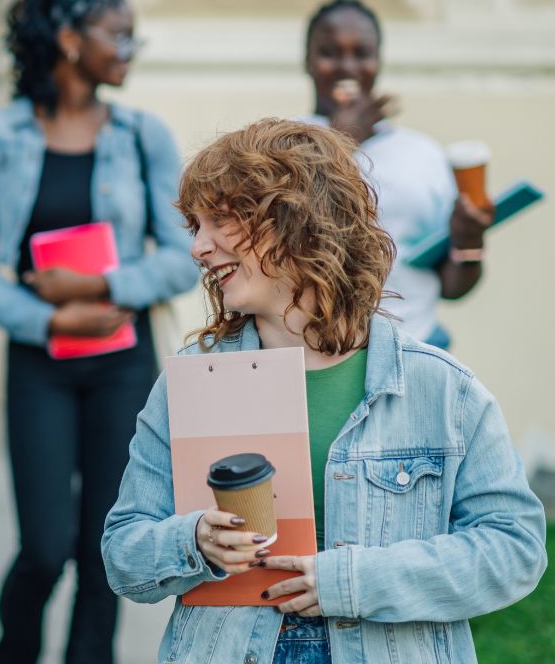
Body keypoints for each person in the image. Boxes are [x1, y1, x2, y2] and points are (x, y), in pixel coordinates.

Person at [101, 118, 546, 664]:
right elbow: (123, 553)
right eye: (195, 225)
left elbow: (514, 550)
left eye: (220, 220)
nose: (197, 246)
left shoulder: (441, 389)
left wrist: (353, 581)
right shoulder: (189, 382)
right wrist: (192, 541)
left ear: (298, 222)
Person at [0, 0, 196, 664]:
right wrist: (50, 322)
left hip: (125, 362)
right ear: (67, 40)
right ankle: (14, 652)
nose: (129, 48)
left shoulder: (143, 135)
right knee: (45, 546)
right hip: (42, 363)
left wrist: (97, 283)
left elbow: (182, 256)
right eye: (116, 33)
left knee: (104, 548)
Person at [302, 0, 492, 350]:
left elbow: (452, 287)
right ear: (308, 61)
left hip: (416, 349)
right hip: (316, 356)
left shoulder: (423, 154)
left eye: (362, 53)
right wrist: (342, 141)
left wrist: (470, 242)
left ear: (378, 61)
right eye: (330, 52)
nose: (348, 66)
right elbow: (284, 233)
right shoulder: (281, 146)